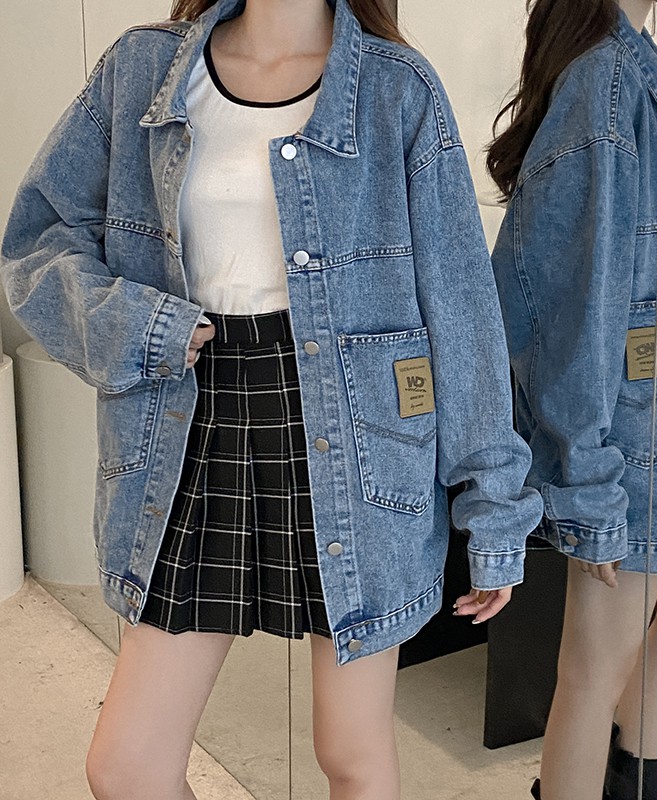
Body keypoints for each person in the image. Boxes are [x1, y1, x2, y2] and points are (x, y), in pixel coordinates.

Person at [1, 1, 543, 797]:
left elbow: (461, 309)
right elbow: (39, 238)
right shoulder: (142, 70)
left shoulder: (396, 89)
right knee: (127, 767)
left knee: (349, 752)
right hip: (189, 418)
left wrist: (493, 507)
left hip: (355, 437)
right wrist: (140, 326)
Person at [487, 1, 657, 798]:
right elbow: (574, 304)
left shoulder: (622, 63)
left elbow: (648, 239)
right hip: (627, 426)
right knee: (594, 669)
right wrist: (588, 479)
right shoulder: (606, 79)